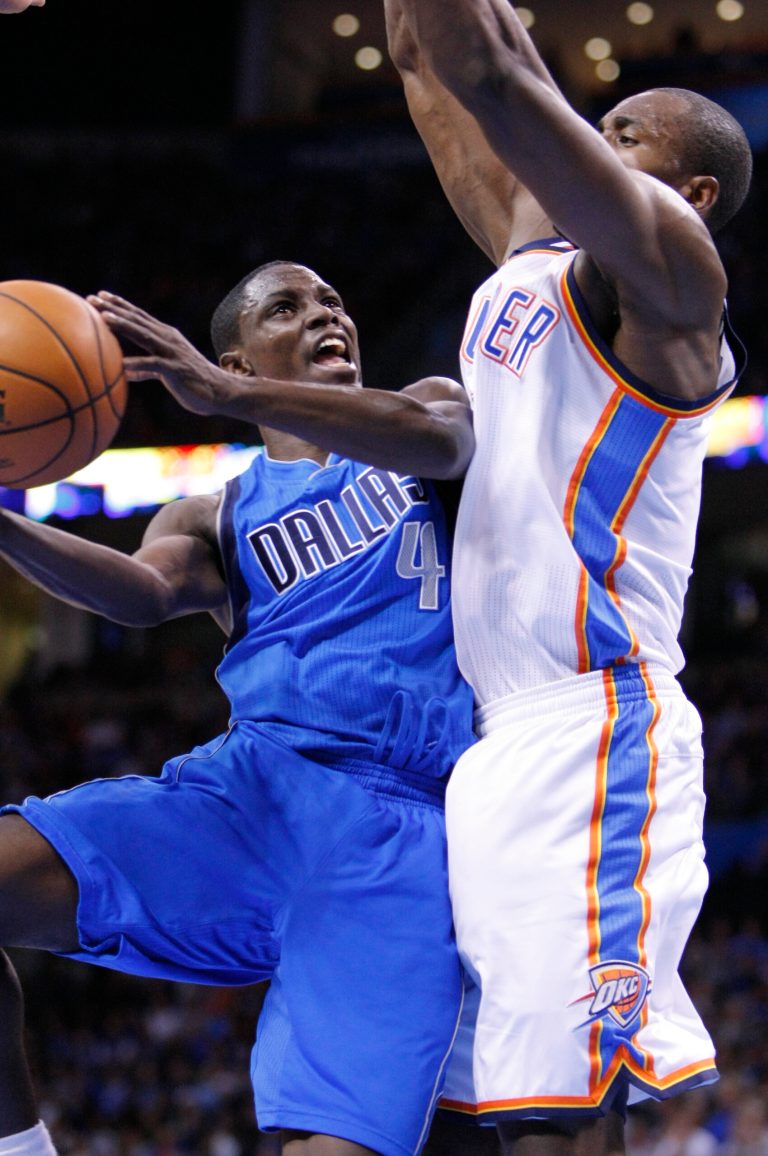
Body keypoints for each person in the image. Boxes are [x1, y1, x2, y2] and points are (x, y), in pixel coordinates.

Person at [0, 260, 477, 1156]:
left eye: (333, 300)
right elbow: (142, 593)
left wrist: (216, 394)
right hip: (245, 795)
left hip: (395, 829)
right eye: (287, 308)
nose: (325, 314)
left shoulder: (424, 409)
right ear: (243, 357)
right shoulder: (210, 515)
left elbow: (446, 441)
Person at [385, 1, 753, 1153]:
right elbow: (422, 53)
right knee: (516, 1109)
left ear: (686, 192)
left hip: (599, 721)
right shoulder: (527, 262)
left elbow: (496, 76)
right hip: (495, 738)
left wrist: (510, 60)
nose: (597, 134)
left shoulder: (678, 280)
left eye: (627, 132)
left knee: (566, 1112)